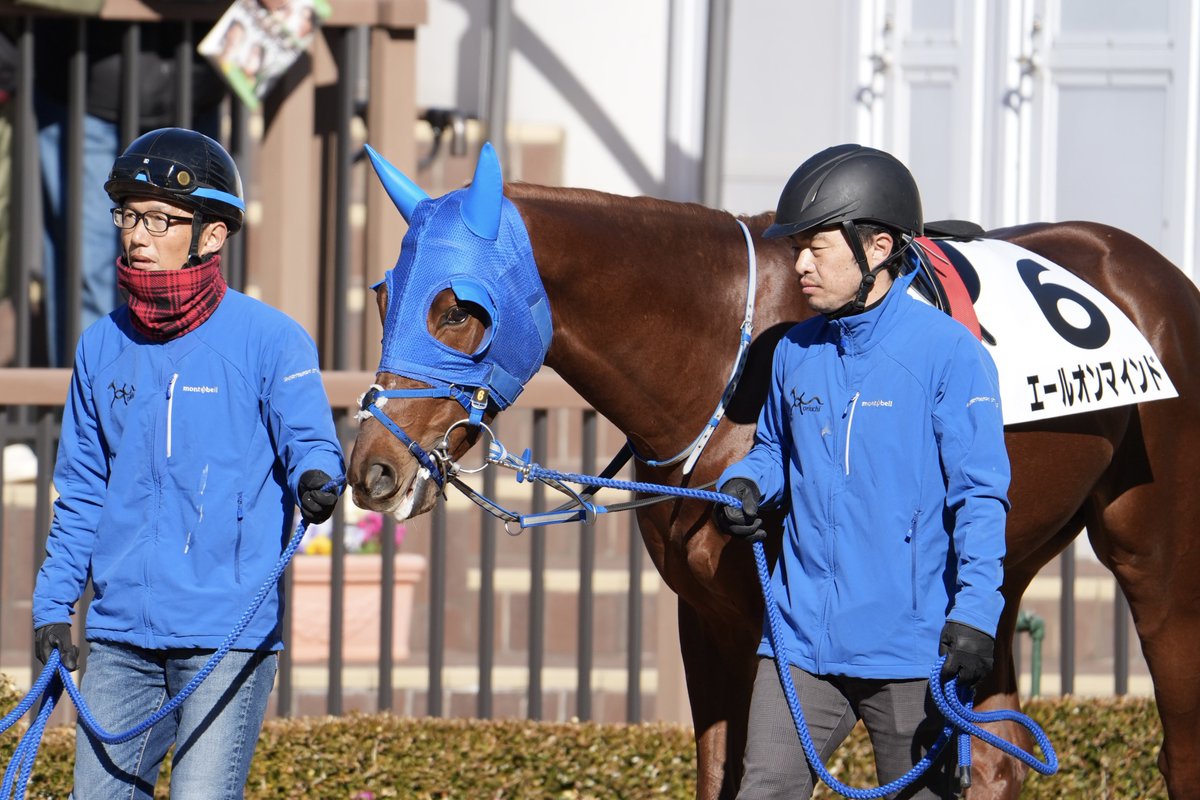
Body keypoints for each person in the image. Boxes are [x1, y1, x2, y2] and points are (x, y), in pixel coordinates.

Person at [30, 127, 344, 799]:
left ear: (212, 234)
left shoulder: (273, 340)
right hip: (119, 639)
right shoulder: (99, 345)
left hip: (226, 636)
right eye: (127, 214)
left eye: (158, 218)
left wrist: (319, 477)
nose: (135, 234)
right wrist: (54, 605)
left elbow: (313, 446)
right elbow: (81, 489)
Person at [714, 144, 1010, 799]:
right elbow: (775, 452)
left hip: (910, 649)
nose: (800, 265)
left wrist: (977, 616)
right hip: (798, 643)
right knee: (761, 790)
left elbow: (981, 499)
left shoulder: (950, 356)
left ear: (876, 247)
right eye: (797, 250)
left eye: (816, 248)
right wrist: (748, 483)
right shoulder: (793, 351)